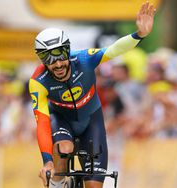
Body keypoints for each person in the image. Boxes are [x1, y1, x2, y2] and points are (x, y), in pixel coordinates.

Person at [29, 2, 156, 187]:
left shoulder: (84, 59)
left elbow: (114, 50)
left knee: (94, 186)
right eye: (47, 58)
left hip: (91, 120)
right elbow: (42, 122)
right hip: (61, 119)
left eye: (59, 55)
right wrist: (47, 162)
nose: (56, 64)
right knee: (64, 149)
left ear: (67, 50)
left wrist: (140, 35)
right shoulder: (38, 80)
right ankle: (56, 184)